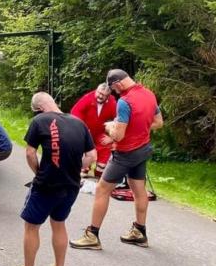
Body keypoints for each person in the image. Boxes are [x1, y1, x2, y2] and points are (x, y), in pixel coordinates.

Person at [70, 69, 164, 251]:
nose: (114, 92)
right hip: (143, 149)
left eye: (113, 89)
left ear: (118, 84)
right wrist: (137, 129)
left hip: (125, 153)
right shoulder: (149, 94)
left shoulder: (124, 102)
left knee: (101, 189)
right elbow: (158, 122)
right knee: (138, 189)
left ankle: (92, 236)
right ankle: (139, 232)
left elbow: (118, 136)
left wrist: (109, 127)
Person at [11, 92, 96, 266]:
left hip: (47, 184)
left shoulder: (40, 120)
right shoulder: (78, 123)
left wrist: (38, 172)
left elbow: (30, 152)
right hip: (72, 186)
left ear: (39, 108)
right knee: (59, 224)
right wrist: (75, 167)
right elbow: (91, 156)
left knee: (32, 227)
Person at [70, 83, 117, 177]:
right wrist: (83, 129)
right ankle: (83, 169)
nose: (100, 96)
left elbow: (119, 120)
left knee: (106, 143)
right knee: (83, 147)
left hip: (100, 132)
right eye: (99, 93)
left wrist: (112, 138)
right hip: (86, 131)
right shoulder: (87, 98)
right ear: (96, 90)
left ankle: (100, 173)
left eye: (103, 95)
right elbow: (75, 112)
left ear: (108, 96)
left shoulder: (112, 102)